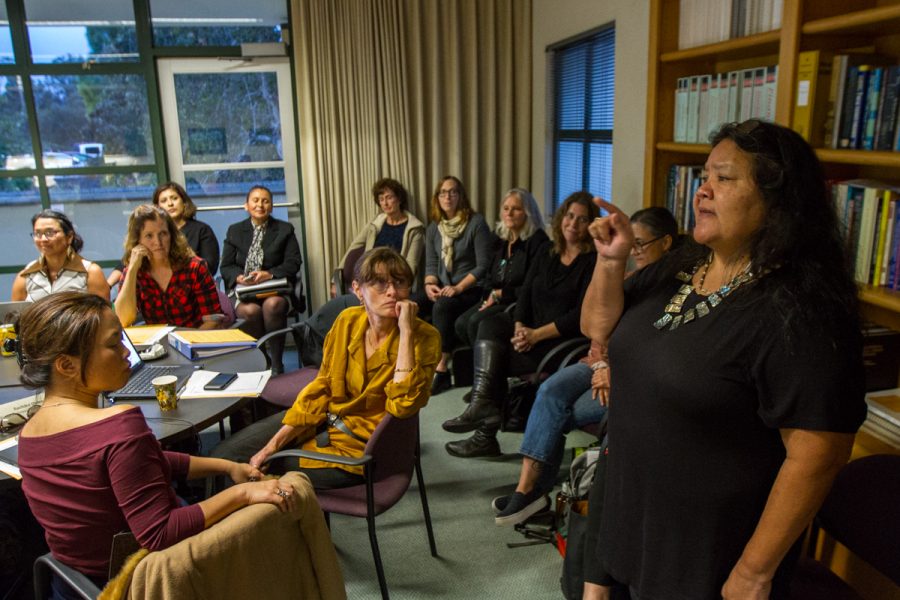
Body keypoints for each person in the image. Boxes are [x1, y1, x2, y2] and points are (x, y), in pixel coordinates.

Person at [580, 120, 867, 600]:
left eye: (724, 178)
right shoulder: (684, 263)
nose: (702, 191)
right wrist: (611, 262)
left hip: (707, 553)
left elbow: (819, 453)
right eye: (703, 176)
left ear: (779, 202)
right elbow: (597, 327)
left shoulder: (801, 309)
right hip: (634, 513)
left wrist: (754, 572)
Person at [15, 292, 296, 595]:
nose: (127, 351)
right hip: (144, 577)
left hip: (77, 582)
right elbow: (159, 533)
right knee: (293, 494)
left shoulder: (28, 434)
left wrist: (227, 466)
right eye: (113, 344)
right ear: (66, 366)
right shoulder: (118, 427)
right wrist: (244, 493)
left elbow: (143, 465)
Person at [492, 207, 679, 526]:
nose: (633, 252)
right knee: (550, 391)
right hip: (595, 363)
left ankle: (541, 494)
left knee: (562, 413)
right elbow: (591, 326)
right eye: (629, 244)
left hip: (627, 377)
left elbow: (657, 351)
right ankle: (528, 490)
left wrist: (610, 368)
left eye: (640, 244)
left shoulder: (675, 290)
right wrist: (602, 363)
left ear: (666, 243)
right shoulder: (630, 279)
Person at [212, 247, 441, 490]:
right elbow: (322, 389)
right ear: (357, 290)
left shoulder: (424, 337)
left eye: (400, 283)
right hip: (324, 421)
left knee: (251, 471)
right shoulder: (347, 321)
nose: (392, 292)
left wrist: (406, 332)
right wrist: (271, 446)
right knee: (225, 456)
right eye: (380, 284)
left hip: (362, 451)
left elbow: (403, 406)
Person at [442, 191, 598, 458]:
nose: (573, 223)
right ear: (562, 217)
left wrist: (535, 335)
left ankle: (484, 435)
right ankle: (482, 406)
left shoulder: (593, 261)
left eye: (582, 219)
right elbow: (525, 291)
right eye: (570, 216)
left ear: (591, 225)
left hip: (560, 340)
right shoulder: (549, 250)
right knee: (489, 324)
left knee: (497, 357)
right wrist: (519, 327)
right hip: (529, 330)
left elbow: (580, 317)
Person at [419, 176, 494, 395]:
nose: (448, 197)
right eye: (443, 192)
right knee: (412, 303)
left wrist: (458, 288)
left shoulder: (476, 223)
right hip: (443, 286)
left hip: (471, 289)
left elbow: (483, 265)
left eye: (453, 192)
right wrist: (429, 284)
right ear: (437, 198)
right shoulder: (434, 227)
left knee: (442, 306)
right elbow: (431, 263)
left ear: (461, 196)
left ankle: (441, 369)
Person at [220, 185, 303, 374]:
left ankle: (277, 362)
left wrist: (269, 273)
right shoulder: (234, 231)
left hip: (274, 288)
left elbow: (294, 262)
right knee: (250, 311)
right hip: (245, 290)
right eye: (255, 200)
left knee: (273, 305)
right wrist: (238, 277)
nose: (260, 205)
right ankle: (261, 358)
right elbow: (226, 267)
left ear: (272, 206)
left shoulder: (284, 229)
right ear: (246, 206)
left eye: (265, 201)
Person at [454, 187, 549, 349]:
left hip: (518, 303)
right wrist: (489, 295)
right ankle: (476, 363)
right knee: (461, 323)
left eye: (516, 209)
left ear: (528, 213)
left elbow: (533, 287)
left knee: (474, 323)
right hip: (495, 298)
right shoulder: (499, 238)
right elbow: (490, 276)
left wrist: (500, 294)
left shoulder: (538, 242)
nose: (509, 213)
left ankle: (486, 366)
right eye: (506, 208)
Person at [115, 204, 222, 329]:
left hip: (194, 339)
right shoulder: (133, 272)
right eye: (149, 236)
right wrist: (132, 269)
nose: (158, 242)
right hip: (156, 344)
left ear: (172, 236)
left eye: (163, 234)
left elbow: (213, 320)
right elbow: (123, 320)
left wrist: (186, 344)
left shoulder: (195, 267)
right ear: (138, 240)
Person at [106, 182, 220, 288]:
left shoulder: (202, 230)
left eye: (174, 198)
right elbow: (126, 262)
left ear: (184, 202)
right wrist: (107, 286)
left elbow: (210, 267)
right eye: (164, 201)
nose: (170, 204)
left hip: (190, 285)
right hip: (152, 287)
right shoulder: (147, 231)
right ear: (157, 207)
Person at [336, 178, 425, 290]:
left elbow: (411, 265)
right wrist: (337, 277)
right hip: (369, 278)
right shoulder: (375, 223)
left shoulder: (414, 228)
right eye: (381, 199)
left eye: (389, 198)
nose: (385, 203)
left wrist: (398, 288)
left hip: (395, 282)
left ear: (399, 199)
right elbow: (354, 246)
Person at [11, 210, 108, 302]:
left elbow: (104, 314)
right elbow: (15, 317)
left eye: (50, 233)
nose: (43, 239)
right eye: (38, 234)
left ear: (69, 237)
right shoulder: (25, 276)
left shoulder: (90, 272)